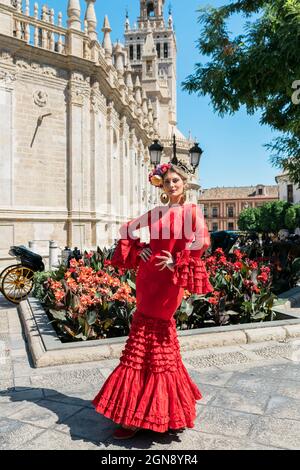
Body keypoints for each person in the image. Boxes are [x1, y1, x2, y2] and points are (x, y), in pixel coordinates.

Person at [92, 161, 213, 439]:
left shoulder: (191, 211)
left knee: (157, 342)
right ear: (162, 185)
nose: (171, 185)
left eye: (176, 181)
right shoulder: (157, 211)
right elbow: (127, 230)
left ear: (184, 183)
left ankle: (161, 411)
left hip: (169, 282)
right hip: (148, 279)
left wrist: (177, 260)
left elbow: (203, 242)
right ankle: (139, 415)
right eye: (167, 181)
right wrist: (142, 249)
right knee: (141, 343)